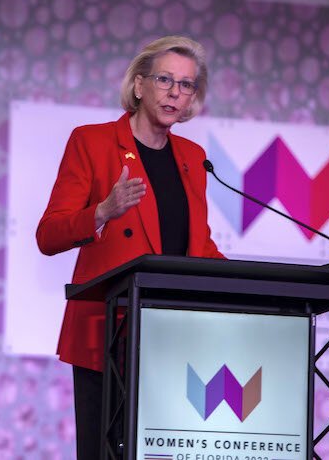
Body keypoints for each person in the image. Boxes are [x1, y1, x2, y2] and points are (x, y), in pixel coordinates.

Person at [36, 35, 224, 459]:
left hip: (172, 338)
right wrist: (102, 211)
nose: (175, 92)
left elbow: (198, 245)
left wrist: (254, 282)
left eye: (186, 84)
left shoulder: (194, 158)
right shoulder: (92, 142)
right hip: (108, 334)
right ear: (139, 85)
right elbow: (48, 235)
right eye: (165, 80)